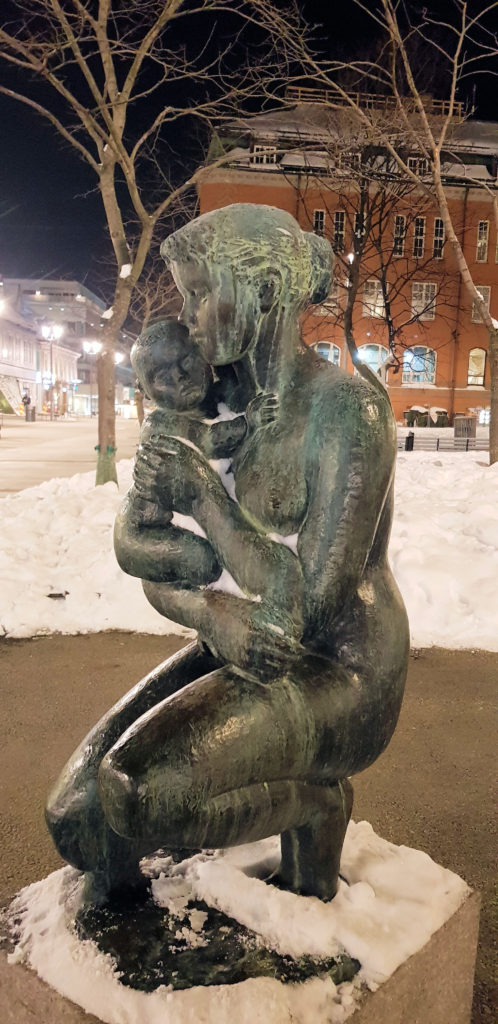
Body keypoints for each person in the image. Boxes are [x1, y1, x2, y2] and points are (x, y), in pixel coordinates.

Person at [46, 204, 409, 905]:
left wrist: (207, 495)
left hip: (342, 669)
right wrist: (208, 614)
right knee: (76, 821)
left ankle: (315, 808)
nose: (189, 317)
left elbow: (305, 611)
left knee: (138, 794)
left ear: (264, 293)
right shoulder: (209, 399)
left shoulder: (346, 413)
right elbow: (149, 553)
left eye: (200, 294)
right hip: (242, 638)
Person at [115, 317, 247, 588]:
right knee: (204, 562)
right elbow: (211, 440)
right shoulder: (160, 423)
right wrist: (251, 421)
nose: (179, 377)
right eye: (162, 376)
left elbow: (233, 383)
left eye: (186, 360)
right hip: (139, 535)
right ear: (145, 391)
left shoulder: (219, 394)